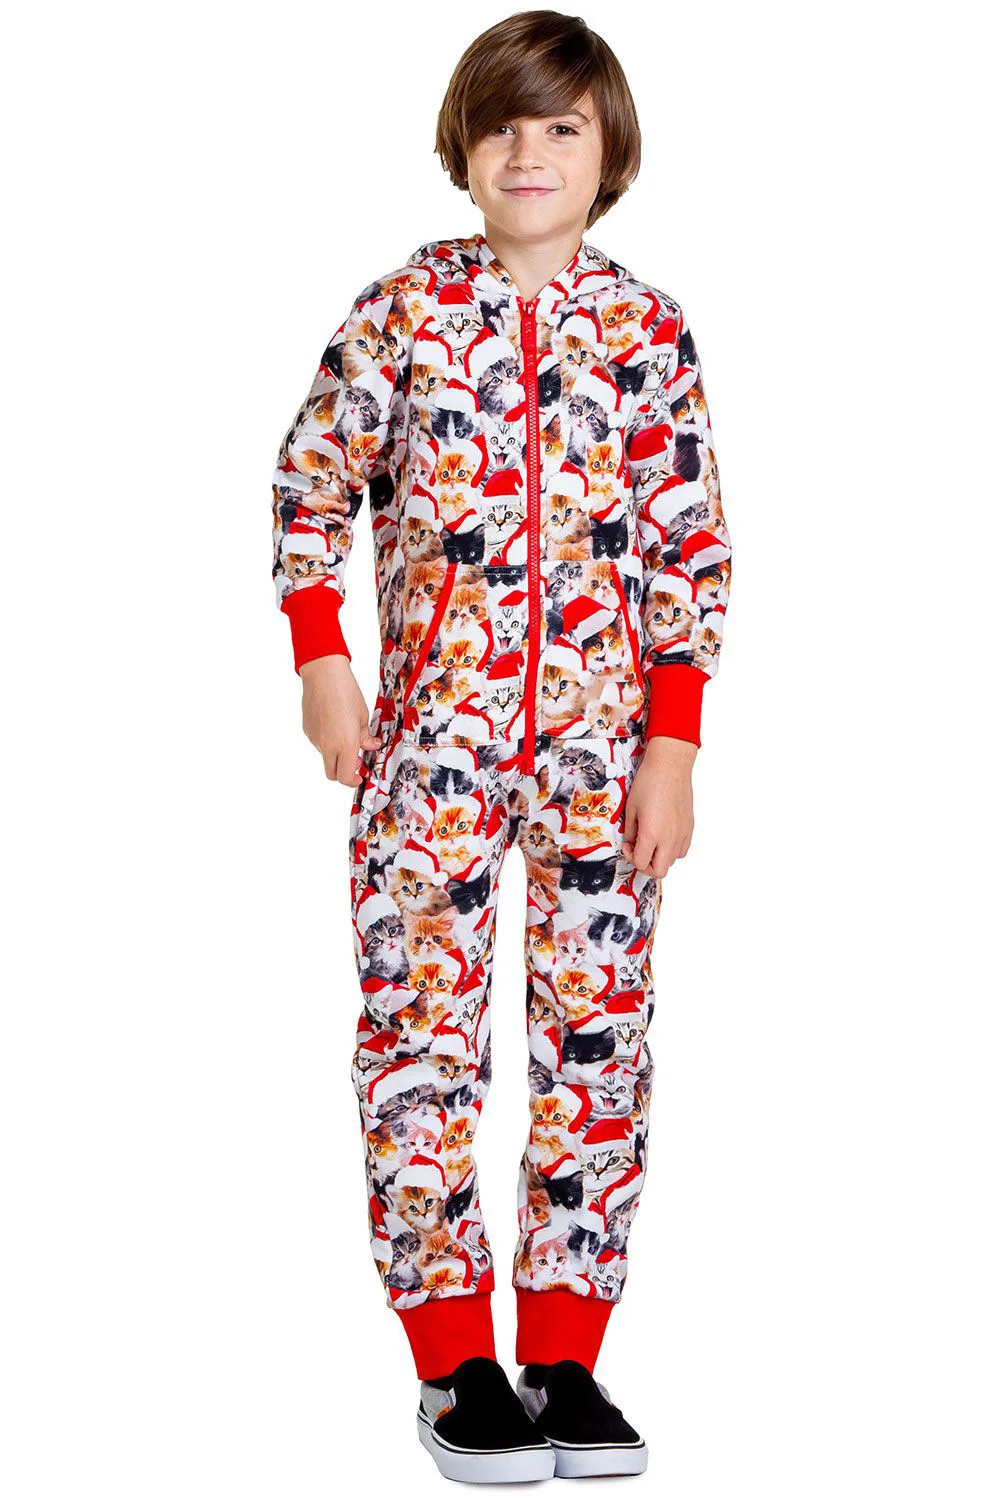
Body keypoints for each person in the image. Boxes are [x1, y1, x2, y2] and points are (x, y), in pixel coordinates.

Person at [270, 10, 731, 1483]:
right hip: (428, 754)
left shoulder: (649, 330)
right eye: (505, 125)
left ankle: (567, 1357)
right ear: (464, 147)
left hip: (606, 764)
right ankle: (454, 1359)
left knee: (597, 1049)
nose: (530, 153)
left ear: (610, 155)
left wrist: (676, 747)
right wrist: (324, 662)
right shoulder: (403, 311)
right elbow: (309, 484)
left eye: (563, 128)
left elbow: (690, 545)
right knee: (420, 1040)